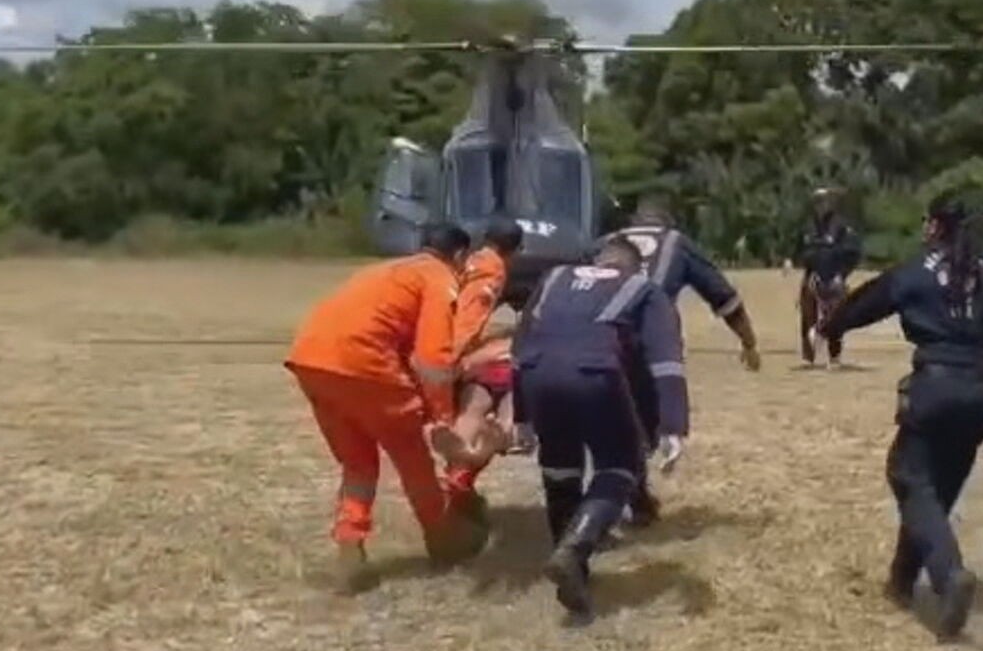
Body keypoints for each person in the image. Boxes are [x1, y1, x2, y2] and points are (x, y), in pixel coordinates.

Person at [820, 195, 983, 640]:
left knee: (907, 476)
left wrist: (830, 327)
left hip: (935, 389)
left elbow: (866, 302)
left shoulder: (915, 271)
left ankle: (950, 576)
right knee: (934, 492)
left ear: (933, 227)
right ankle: (902, 582)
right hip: (981, 395)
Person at [284, 222, 473, 593]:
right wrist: (441, 417)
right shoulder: (439, 277)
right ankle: (442, 538)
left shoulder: (385, 270)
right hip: (363, 365)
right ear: (461, 257)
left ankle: (350, 546)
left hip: (310, 360)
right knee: (412, 457)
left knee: (358, 463)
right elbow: (434, 358)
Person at [511, 236, 691, 620]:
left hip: (537, 375)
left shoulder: (554, 277)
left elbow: (520, 347)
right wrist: (673, 424)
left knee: (559, 466)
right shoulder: (643, 289)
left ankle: (572, 568)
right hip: (595, 374)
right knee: (620, 466)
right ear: (636, 266)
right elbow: (665, 359)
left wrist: (521, 415)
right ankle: (575, 548)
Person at [600, 201, 759, 523]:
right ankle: (623, 496)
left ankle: (628, 492)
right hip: (646, 335)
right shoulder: (676, 243)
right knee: (643, 421)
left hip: (593, 333)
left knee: (609, 416)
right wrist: (748, 341)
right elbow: (723, 297)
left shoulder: (605, 241)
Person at [428, 216, 526, 552]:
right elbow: (470, 315)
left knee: (470, 416)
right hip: (490, 362)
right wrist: (453, 356)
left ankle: (456, 481)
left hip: (476, 364)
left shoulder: (469, 262)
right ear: (516, 250)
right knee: (507, 426)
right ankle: (462, 480)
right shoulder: (493, 269)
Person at [797, 187, 864, 368]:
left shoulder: (841, 226)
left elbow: (854, 252)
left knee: (836, 316)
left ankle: (834, 356)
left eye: (824, 201)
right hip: (812, 274)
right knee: (807, 313)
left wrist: (842, 274)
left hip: (834, 275)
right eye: (817, 201)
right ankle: (808, 356)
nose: (820, 205)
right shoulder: (808, 227)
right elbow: (799, 248)